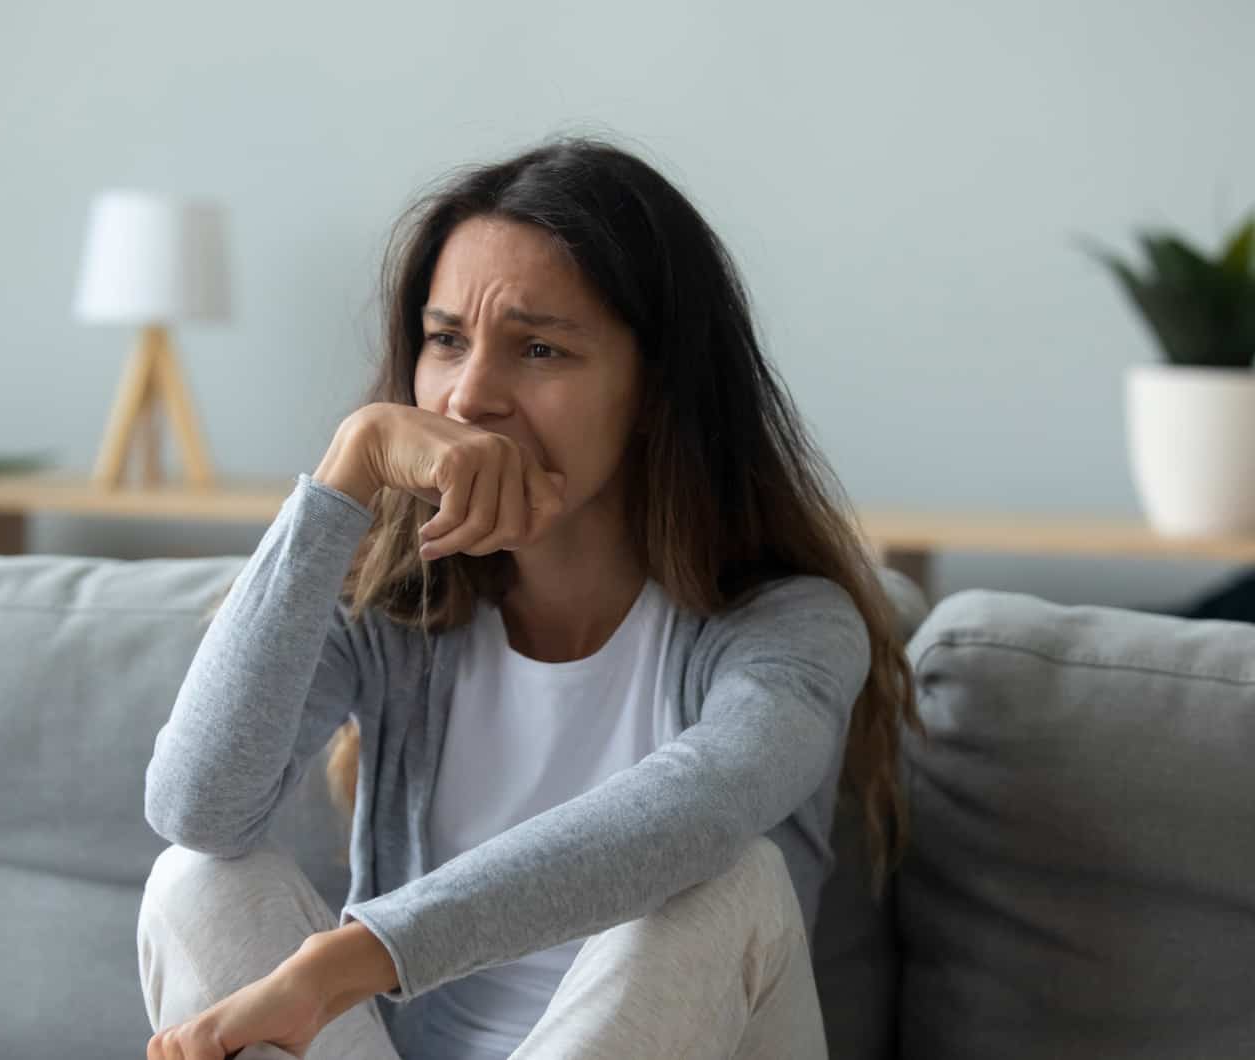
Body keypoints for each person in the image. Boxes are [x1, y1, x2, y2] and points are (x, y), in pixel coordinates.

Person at [136, 134, 921, 1060]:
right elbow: (198, 807)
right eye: (445, 342)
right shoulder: (396, 614)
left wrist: (344, 963)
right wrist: (346, 474)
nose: (470, 400)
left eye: (539, 348)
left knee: (730, 876)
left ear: (659, 388)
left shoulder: (791, 627)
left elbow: (692, 815)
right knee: (196, 880)